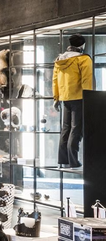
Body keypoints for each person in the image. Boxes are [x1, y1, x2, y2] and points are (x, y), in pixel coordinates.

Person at [53, 34, 93, 168]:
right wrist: (89, 98)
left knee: (66, 129)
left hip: (65, 98)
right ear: (82, 45)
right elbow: (87, 80)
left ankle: (64, 160)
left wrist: (56, 97)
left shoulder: (59, 59)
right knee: (76, 129)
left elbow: (55, 81)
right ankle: (73, 161)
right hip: (79, 97)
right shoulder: (83, 59)